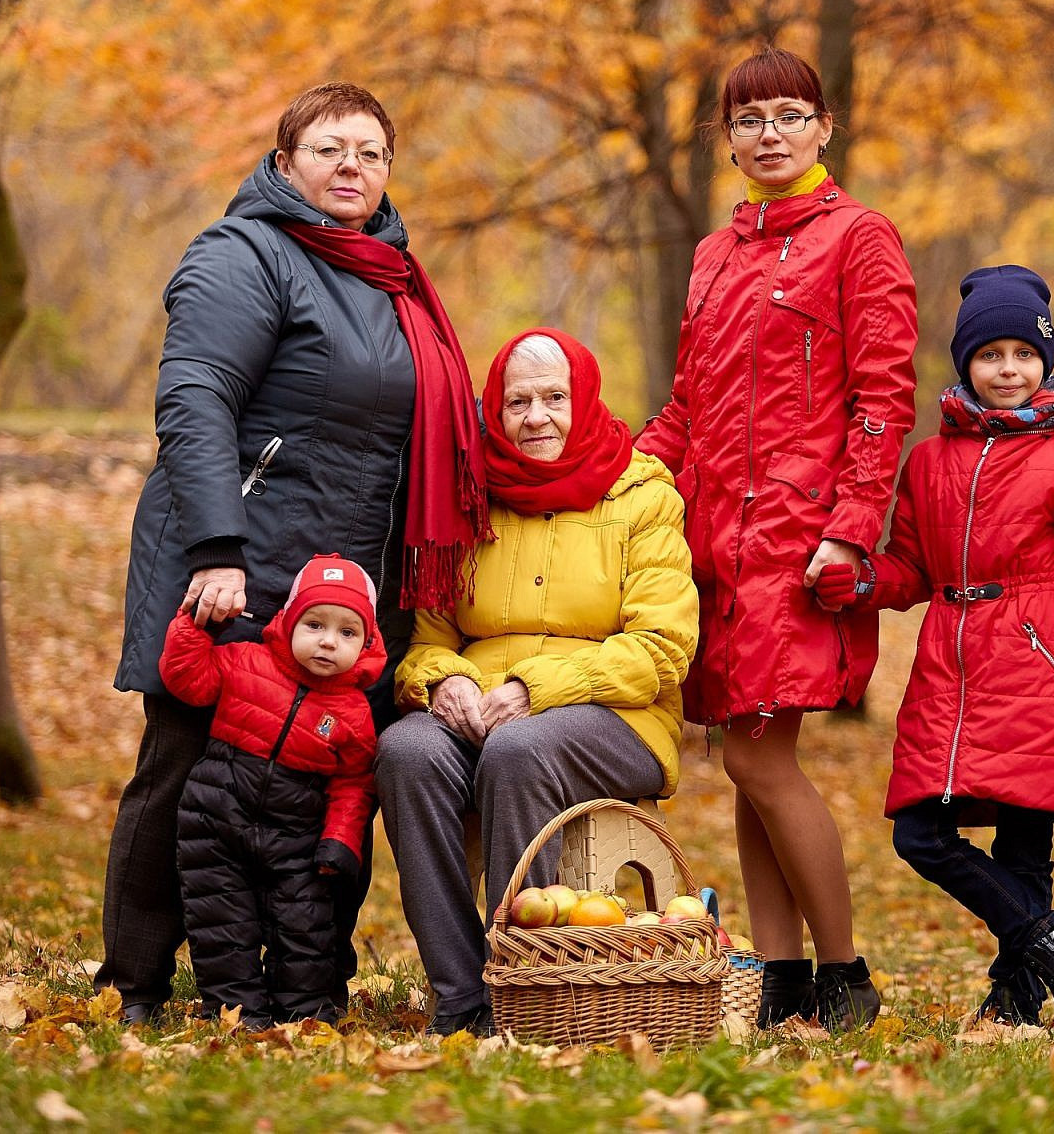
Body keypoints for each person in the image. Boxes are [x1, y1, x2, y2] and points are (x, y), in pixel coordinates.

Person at [100, 82, 489, 1025]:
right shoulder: (247, 254)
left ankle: (292, 989)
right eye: (328, 148)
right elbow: (195, 395)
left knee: (324, 790)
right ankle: (139, 983)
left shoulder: (391, 278)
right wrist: (215, 547)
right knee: (186, 768)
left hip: (344, 591)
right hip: (237, 568)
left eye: (369, 151)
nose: (350, 166)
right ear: (285, 164)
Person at [638, 48, 918, 1030]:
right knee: (741, 760)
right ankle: (779, 980)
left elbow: (881, 401)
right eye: (748, 120)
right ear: (726, 139)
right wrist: (616, 481)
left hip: (799, 547)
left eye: (789, 115)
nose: (768, 134)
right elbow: (685, 406)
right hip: (713, 545)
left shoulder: (860, 239)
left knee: (760, 757)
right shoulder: (714, 257)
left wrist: (849, 532)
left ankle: (844, 976)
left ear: (824, 128)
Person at [816, 267, 1054, 1028]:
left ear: (1045, 362)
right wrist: (863, 581)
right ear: (965, 363)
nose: (1007, 370)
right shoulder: (930, 460)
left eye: (1023, 354)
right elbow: (915, 568)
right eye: (989, 354)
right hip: (953, 667)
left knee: (1026, 838)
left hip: (1039, 659)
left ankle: (1018, 994)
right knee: (921, 834)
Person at [382, 329, 698, 1036]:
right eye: (517, 401)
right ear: (493, 410)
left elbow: (661, 649)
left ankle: (525, 993)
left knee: (520, 750)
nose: (536, 418)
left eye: (554, 398)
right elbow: (428, 640)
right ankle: (462, 996)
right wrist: (442, 684)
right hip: (482, 707)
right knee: (407, 753)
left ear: (583, 400)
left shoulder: (642, 494)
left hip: (618, 714)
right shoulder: (466, 493)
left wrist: (535, 688)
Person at [159, 554, 383, 1028]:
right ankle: (236, 1012)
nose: (327, 641)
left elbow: (355, 784)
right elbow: (188, 681)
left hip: (297, 836)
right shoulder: (245, 661)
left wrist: (341, 839)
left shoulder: (354, 712)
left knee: (304, 929)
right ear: (288, 619)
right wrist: (191, 627)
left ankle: (302, 1015)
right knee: (223, 926)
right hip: (216, 823)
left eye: (347, 633)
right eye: (315, 624)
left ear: (366, 643)